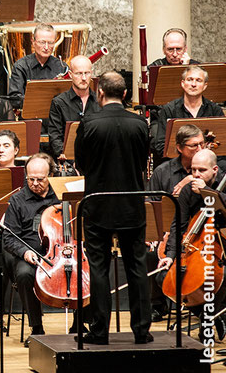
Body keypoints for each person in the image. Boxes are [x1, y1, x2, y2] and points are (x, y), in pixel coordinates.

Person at [75, 70, 152, 345]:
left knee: (98, 269)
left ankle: (99, 331)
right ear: (126, 94)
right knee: (137, 267)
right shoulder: (140, 123)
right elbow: (143, 162)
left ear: (100, 93)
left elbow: (81, 164)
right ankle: (142, 331)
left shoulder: (89, 122)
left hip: (98, 206)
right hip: (132, 205)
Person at [156, 149, 226, 342]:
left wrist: (208, 193)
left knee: (217, 276)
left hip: (221, 245)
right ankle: (210, 314)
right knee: (165, 277)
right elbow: (179, 224)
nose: (195, 174)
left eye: (201, 170)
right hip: (195, 246)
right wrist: (170, 254)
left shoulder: (222, 186)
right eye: (193, 169)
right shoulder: (188, 190)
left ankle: (209, 320)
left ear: (215, 170)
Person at [2, 153, 59, 339]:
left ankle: (79, 324)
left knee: (82, 269)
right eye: (31, 179)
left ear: (49, 175)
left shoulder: (60, 196)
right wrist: (25, 252)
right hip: (30, 253)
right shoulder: (18, 200)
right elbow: (9, 239)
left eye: (40, 179)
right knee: (24, 274)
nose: (35, 183)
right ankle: (37, 328)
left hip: (59, 251)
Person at [152, 65, 223, 159]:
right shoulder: (169, 110)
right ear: (182, 83)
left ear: (205, 86)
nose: (193, 84)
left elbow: (222, 146)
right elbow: (161, 146)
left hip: (207, 163)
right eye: (189, 79)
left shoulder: (215, 110)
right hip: (178, 162)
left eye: (198, 80)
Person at [48, 55, 100, 162]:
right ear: (70, 75)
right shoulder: (59, 102)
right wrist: (67, 156)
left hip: (96, 160)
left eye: (87, 73)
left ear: (92, 73)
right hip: (68, 161)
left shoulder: (100, 101)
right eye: (79, 74)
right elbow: (55, 136)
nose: (84, 78)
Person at [7, 23, 68, 110]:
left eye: (50, 43)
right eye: (42, 42)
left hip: (55, 118)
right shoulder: (21, 66)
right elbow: (15, 99)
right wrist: (42, 101)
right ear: (33, 42)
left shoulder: (62, 67)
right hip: (30, 116)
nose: (46, 47)